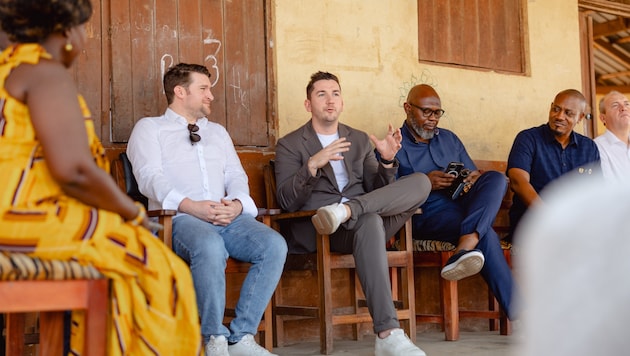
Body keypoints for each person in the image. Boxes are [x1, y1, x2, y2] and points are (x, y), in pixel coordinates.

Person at [0, 1, 201, 355]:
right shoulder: (45, 73)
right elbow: (74, 172)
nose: (84, 40)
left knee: (121, 258)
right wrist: (133, 213)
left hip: (17, 214)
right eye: (84, 30)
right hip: (21, 219)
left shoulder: (7, 68)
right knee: (163, 269)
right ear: (64, 31)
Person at [127, 63, 287, 356]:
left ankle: (241, 338)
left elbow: (237, 176)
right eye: (203, 88)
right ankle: (213, 338)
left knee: (273, 244)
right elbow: (149, 178)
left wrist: (237, 205)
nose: (211, 95)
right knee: (211, 246)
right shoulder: (150, 128)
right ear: (180, 91)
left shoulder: (218, 133)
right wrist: (191, 206)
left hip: (225, 216)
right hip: (178, 219)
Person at [274, 71, 431, 356]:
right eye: (321, 94)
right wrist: (311, 165)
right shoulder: (291, 143)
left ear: (342, 102)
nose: (330, 100)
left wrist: (385, 161)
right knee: (369, 220)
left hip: (360, 219)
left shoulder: (357, 139)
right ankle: (388, 333)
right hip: (323, 230)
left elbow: (379, 191)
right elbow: (286, 200)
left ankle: (346, 209)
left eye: (335, 93)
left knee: (422, 181)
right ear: (308, 104)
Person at [394, 84, 515, 319]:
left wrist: (473, 178)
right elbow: (388, 194)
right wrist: (426, 183)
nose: (433, 119)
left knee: (496, 178)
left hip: (466, 205)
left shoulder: (450, 139)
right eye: (426, 112)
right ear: (408, 108)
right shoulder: (394, 145)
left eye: (437, 112)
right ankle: (521, 313)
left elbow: (472, 174)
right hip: (426, 214)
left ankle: (465, 245)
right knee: (486, 233)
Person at [515, 172, 630, 356]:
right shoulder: (529, 142)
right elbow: (517, 180)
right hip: (535, 223)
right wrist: (550, 218)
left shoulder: (588, 148)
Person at [507, 89, 600, 241]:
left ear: (580, 117)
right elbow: (518, 181)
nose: (559, 116)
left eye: (568, 113)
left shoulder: (589, 148)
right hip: (532, 225)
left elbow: (595, 193)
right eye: (556, 109)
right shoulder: (528, 139)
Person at [594, 90, 630, 183]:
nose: (623, 108)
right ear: (603, 118)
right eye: (615, 105)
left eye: (627, 104)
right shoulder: (596, 147)